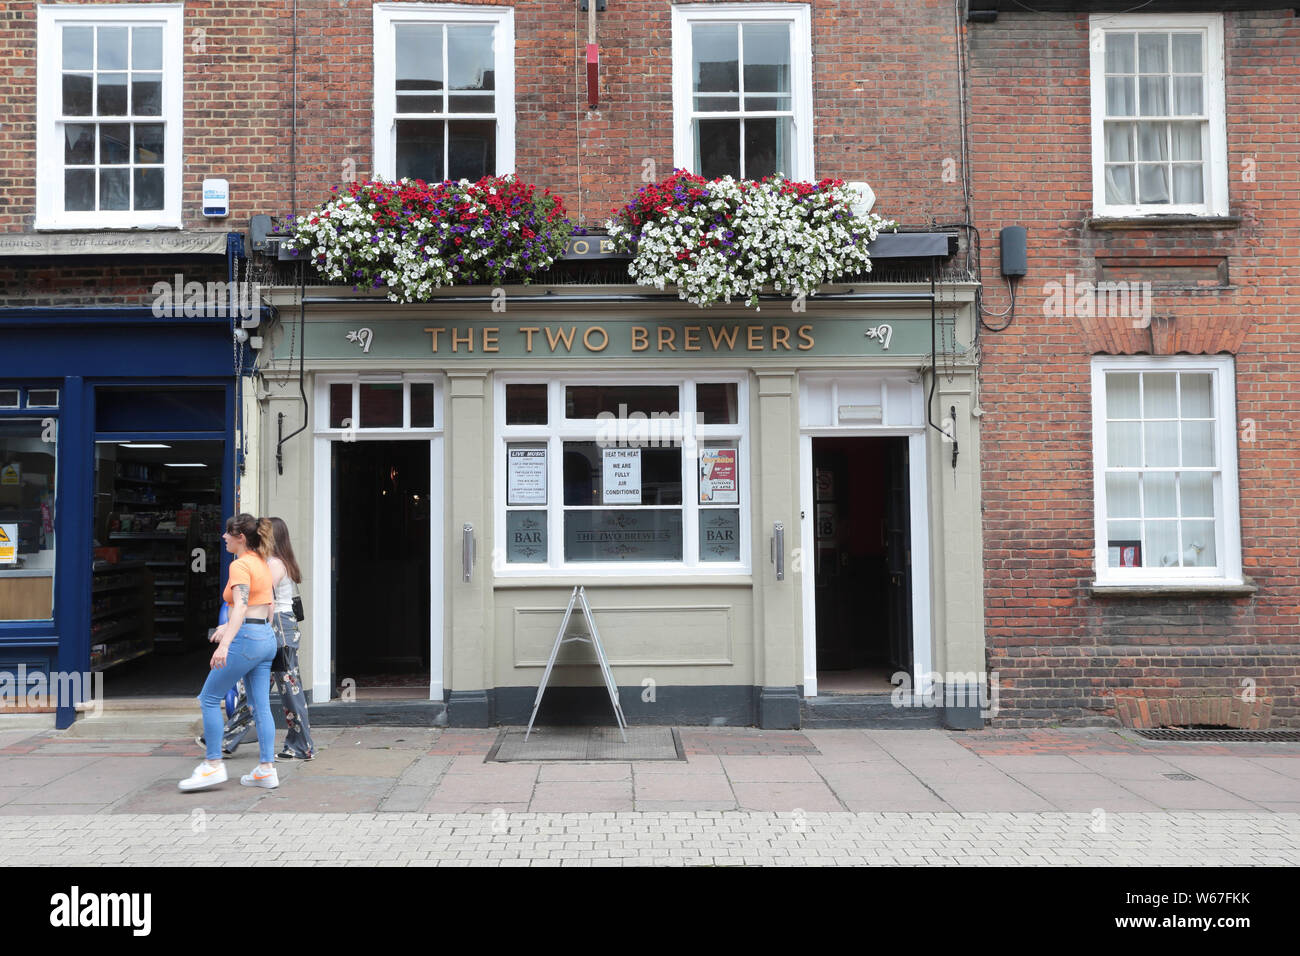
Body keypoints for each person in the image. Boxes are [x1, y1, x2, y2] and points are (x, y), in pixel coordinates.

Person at [200, 517, 316, 759]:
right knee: (258, 692)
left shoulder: (273, 564)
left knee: (288, 688)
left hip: (277, 627)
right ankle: (227, 737)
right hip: (276, 628)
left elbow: (261, 599)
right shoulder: (277, 562)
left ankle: (302, 745)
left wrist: (231, 626)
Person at [178, 514, 279, 791]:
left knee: (209, 699)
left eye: (227, 533)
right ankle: (266, 769)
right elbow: (266, 605)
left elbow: (242, 606)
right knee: (260, 706)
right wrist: (231, 627)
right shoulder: (262, 562)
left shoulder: (240, 565)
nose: (223, 537)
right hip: (265, 638)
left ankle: (212, 765)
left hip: (246, 639)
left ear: (240, 538)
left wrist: (226, 643)